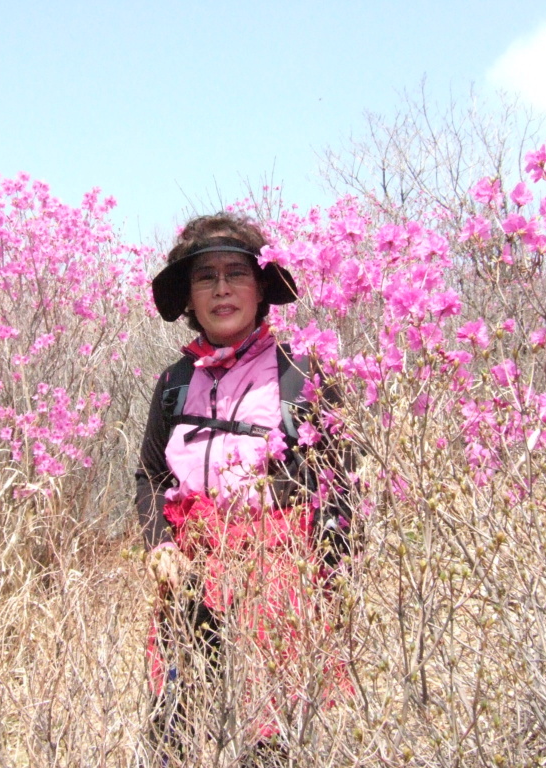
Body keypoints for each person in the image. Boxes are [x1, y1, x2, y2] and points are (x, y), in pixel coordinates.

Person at [135, 212, 351, 764]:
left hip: (279, 574)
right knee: (175, 723)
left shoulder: (303, 374)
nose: (222, 288)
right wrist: (159, 544)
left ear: (262, 289)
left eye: (237, 273)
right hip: (189, 569)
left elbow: (343, 480)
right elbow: (151, 476)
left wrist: (330, 576)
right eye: (205, 277)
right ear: (188, 297)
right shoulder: (174, 382)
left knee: (271, 730)